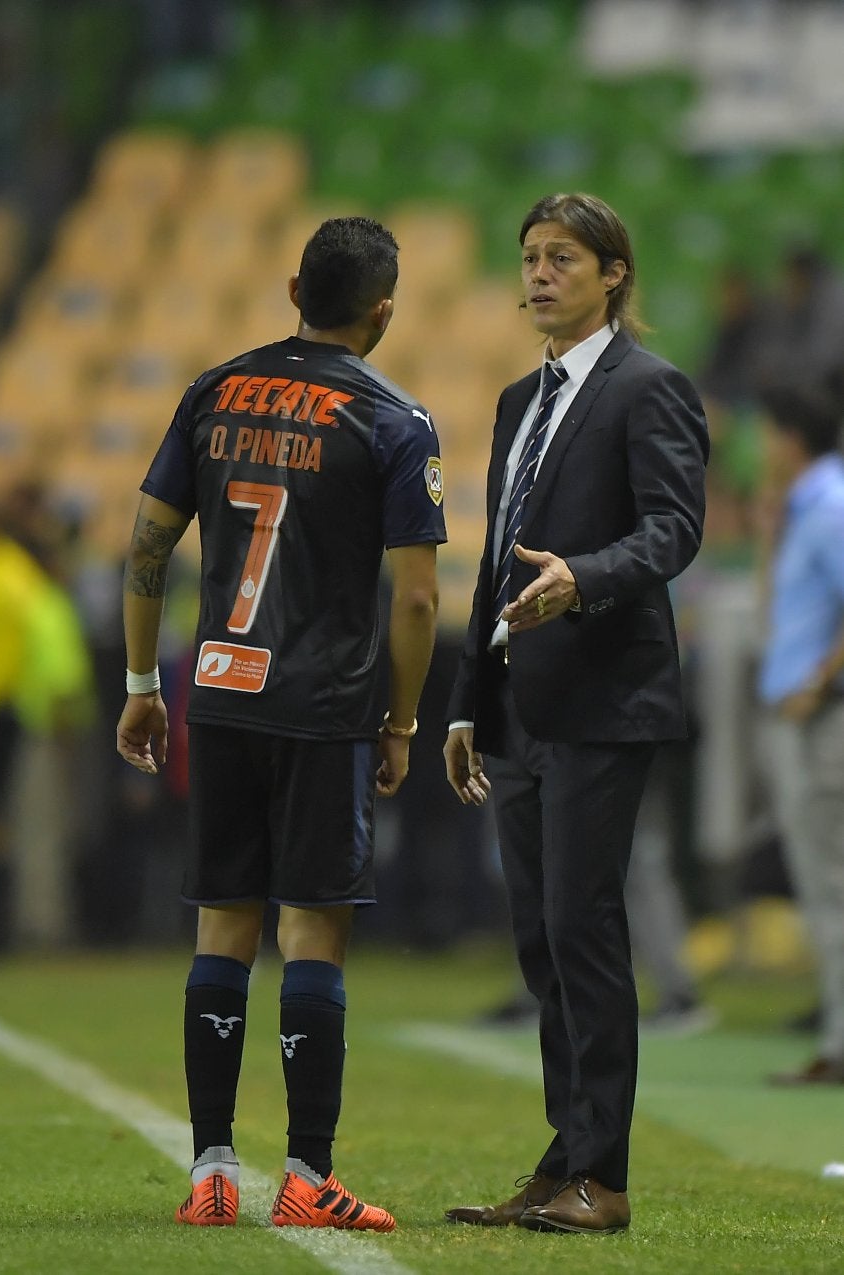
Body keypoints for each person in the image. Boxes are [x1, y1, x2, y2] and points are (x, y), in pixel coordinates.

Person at [116, 216, 445, 1230]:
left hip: (220, 691)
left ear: (293, 285)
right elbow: (421, 602)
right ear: (381, 309)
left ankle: (210, 1170)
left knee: (223, 926)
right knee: (311, 932)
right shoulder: (395, 420)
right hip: (322, 706)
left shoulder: (212, 391)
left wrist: (141, 682)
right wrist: (400, 724)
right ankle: (308, 1175)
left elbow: (145, 544)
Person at [443, 192, 708, 1236]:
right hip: (521, 699)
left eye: (562, 257)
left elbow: (673, 530)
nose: (540, 272)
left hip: (605, 695)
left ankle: (603, 1175)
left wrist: (583, 579)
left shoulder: (651, 389)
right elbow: (496, 548)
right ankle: (564, 1163)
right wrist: (468, 696)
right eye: (530, 256)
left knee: (581, 929)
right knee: (541, 942)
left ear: (612, 275)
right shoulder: (521, 398)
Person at [754, 383, 844, 1085]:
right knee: (823, 886)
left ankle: (841, 1044)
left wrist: (818, 679)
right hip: (805, 714)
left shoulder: (830, 503)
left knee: (831, 886)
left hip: (822, 719)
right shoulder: (804, 505)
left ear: (790, 438)